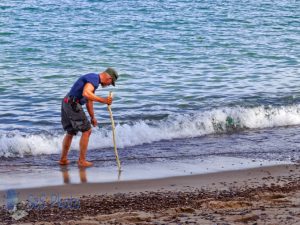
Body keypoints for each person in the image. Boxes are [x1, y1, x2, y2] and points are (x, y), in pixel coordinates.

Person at [59, 68, 118, 167]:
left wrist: (92, 117)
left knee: (70, 132)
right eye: (110, 83)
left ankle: (63, 159)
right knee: (87, 131)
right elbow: (86, 93)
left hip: (66, 102)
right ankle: (82, 161)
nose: (108, 85)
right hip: (73, 104)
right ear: (109, 78)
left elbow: (89, 101)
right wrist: (103, 100)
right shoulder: (94, 79)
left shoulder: (93, 80)